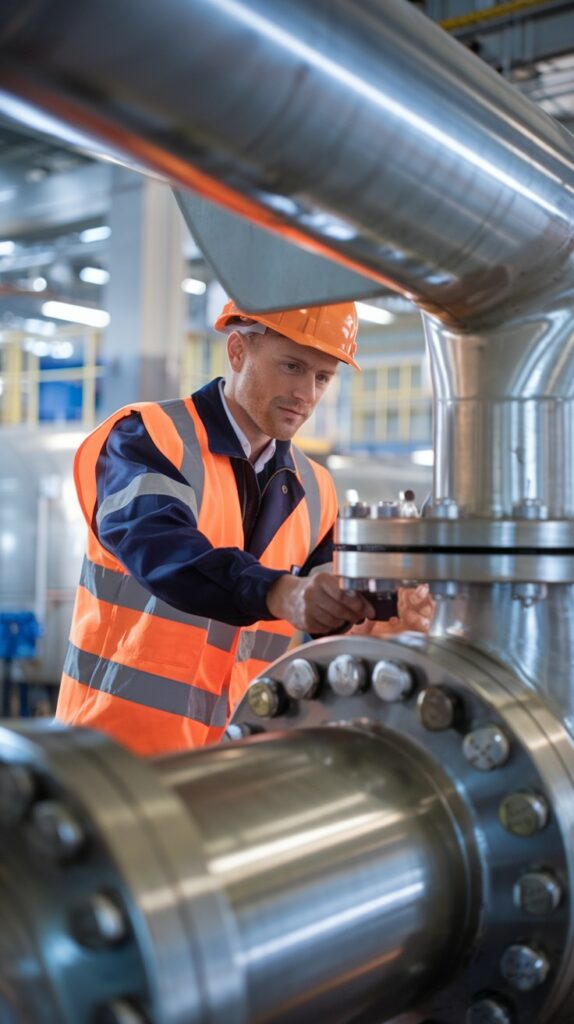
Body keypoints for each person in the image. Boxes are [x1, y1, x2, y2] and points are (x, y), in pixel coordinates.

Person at [56, 299, 433, 756]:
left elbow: (324, 626)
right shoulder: (147, 438)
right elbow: (165, 553)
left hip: (239, 763)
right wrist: (279, 592)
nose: (306, 395)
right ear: (237, 352)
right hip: (116, 758)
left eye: (322, 377)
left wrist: (388, 623)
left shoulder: (317, 489)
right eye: (292, 366)